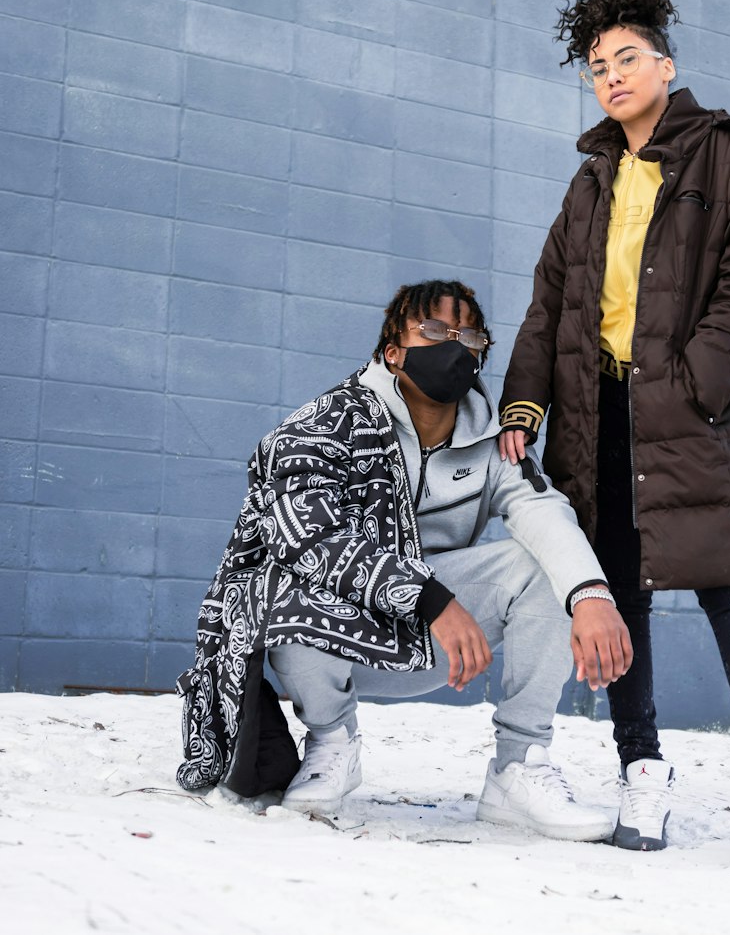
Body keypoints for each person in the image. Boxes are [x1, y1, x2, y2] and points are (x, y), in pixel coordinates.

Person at [497, 0, 730, 862]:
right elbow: (548, 303)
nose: (612, 76)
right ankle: (640, 767)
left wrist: (696, 382)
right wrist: (527, 402)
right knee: (620, 593)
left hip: (687, 408)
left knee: (728, 588)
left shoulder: (728, 153)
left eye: (627, 58)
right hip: (597, 411)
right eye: (597, 65)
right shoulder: (590, 183)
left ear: (667, 66)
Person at [176, 278, 633, 842]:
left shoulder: (494, 443)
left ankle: (518, 766)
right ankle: (330, 742)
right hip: (342, 639)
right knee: (281, 576)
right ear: (393, 352)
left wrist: (591, 596)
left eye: (468, 334)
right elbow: (307, 537)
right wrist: (430, 597)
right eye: (435, 330)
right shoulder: (323, 425)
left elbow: (543, 512)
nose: (454, 343)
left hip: (442, 645)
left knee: (545, 567)